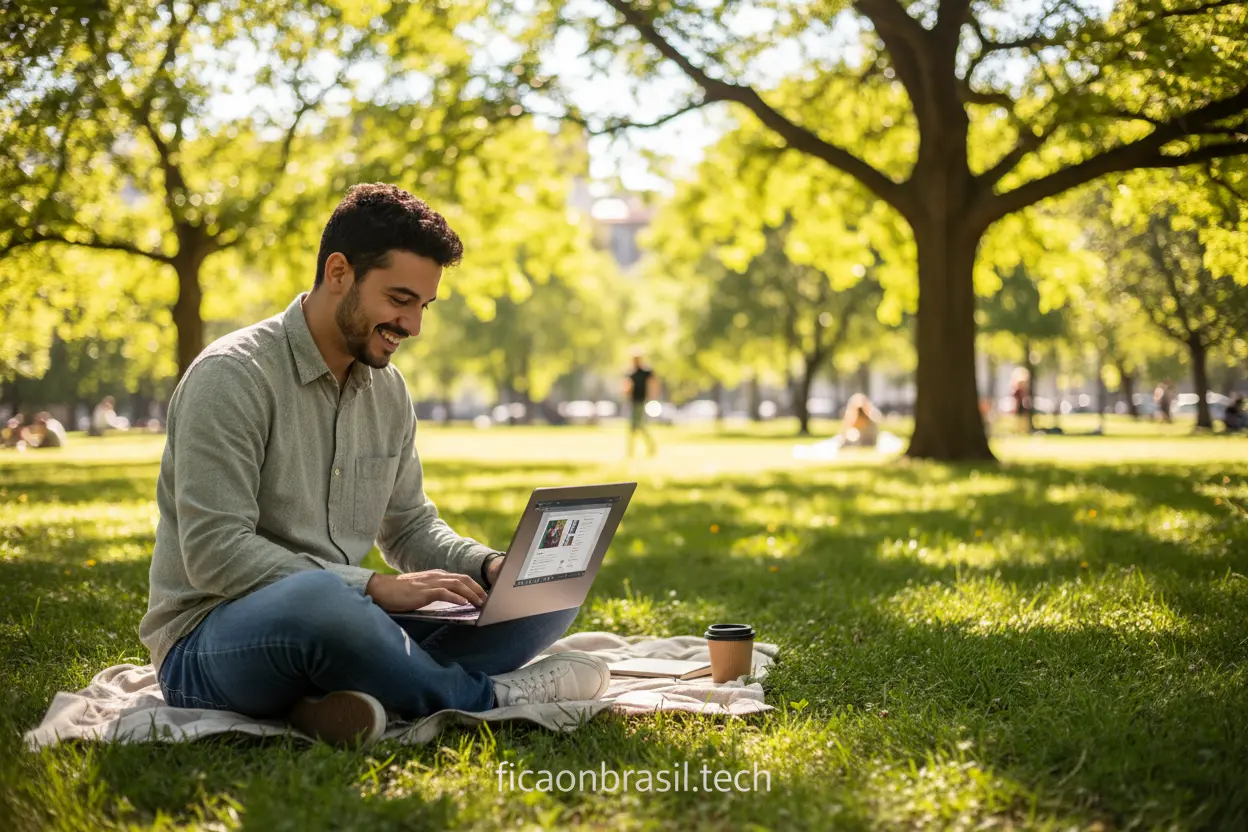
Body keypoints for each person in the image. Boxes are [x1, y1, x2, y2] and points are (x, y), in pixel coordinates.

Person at [140, 184, 610, 748]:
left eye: (423, 307)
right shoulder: (231, 377)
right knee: (322, 602)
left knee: (546, 595)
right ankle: (489, 700)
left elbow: (409, 525)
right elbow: (216, 552)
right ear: (339, 272)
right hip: (211, 642)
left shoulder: (387, 390)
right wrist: (371, 588)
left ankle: (335, 699)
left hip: (349, 622)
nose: (413, 326)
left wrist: (489, 567)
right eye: (399, 299)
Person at [623, 348, 658, 457]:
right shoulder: (631, 372)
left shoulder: (646, 372)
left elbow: (653, 384)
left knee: (638, 425)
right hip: (633, 402)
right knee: (636, 426)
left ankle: (645, 448)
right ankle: (633, 450)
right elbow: (627, 386)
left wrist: (652, 398)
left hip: (642, 401)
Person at [1009, 367, 1031, 434]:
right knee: (1018, 418)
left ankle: (1023, 430)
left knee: (1023, 418)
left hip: (1022, 404)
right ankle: (1018, 430)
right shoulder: (1017, 391)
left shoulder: (1023, 390)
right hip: (1018, 404)